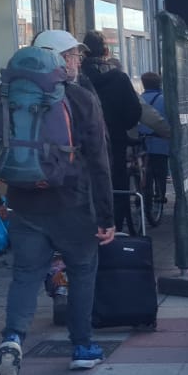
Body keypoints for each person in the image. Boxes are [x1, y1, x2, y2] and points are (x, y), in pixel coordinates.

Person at [0, 30, 115, 375]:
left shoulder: (7, 94)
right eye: (73, 55)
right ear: (57, 58)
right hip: (72, 202)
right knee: (82, 271)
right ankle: (82, 346)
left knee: (26, 274)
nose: (77, 61)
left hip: (23, 200)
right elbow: (99, 161)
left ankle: (12, 338)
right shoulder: (80, 98)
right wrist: (106, 216)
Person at [79, 31, 143, 232]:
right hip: (115, 140)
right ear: (106, 51)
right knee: (117, 183)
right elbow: (134, 111)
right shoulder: (119, 78)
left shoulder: (77, 78)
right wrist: (121, 126)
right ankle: (116, 226)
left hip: (82, 144)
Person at [139, 72, 170, 204]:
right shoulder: (165, 100)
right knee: (161, 169)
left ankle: (142, 193)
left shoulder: (138, 98)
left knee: (144, 170)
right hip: (160, 142)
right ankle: (161, 194)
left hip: (141, 142)